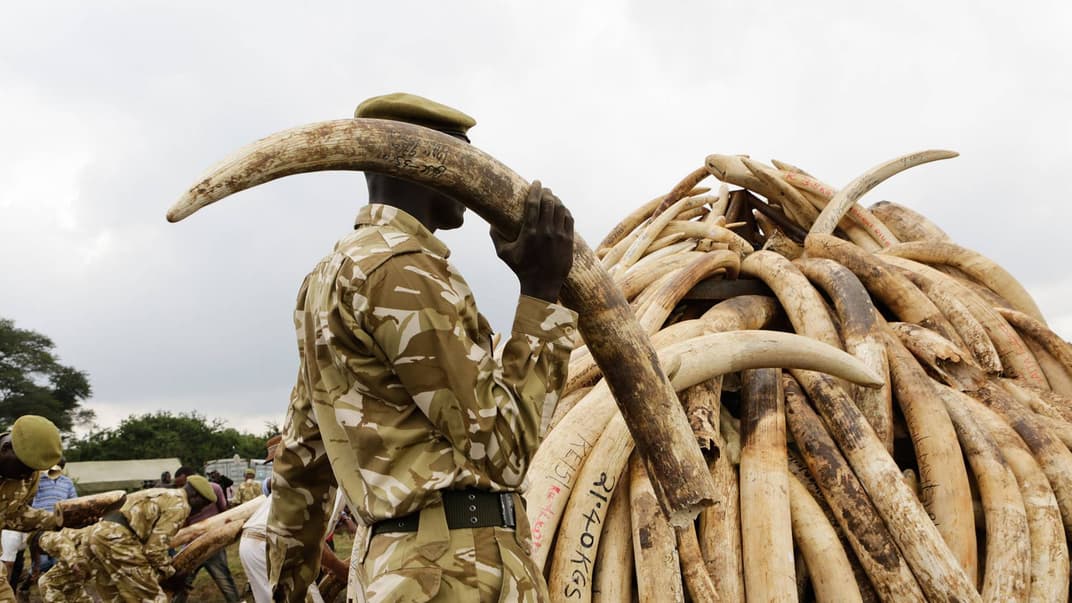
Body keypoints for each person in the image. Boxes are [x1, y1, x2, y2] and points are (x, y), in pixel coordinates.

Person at [267, 93, 576, 602]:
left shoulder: (326, 278)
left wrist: (286, 587)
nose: (474, 183)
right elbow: (505, 451)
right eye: (465, 162)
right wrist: (541, 291)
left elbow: (304, 456)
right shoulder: (406, 272)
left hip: (400, 570)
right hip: (455, 572)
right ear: (427, 168)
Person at [85, 474, 215, 602]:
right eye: (203, 505)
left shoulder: (162, 493)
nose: (200, 511)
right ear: (195, 495)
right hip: (117, 539)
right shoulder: (181, 506)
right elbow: (154, 550)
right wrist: (173, 574)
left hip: (98, 534)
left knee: (116, 596)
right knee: (152, 598)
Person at [0, 415, 65, 603]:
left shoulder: (27, 475)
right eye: (26, 468)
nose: (29, 475)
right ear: (6, 449)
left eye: (35, 470)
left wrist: (57, 520)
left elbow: (13, 515)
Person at [171, 467, 240, 602]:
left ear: (191, 478)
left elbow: (224, 512)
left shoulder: (214, 488)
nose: (182, 488)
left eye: (183, 483)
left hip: (212, 541)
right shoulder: (183, 498)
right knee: (184, 580)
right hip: (193, 543)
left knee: (223, 578)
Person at [33, 527, 93, 603]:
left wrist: (73, 563)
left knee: (45, 582)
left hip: (82, 553)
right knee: (71, 587)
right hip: (90, 549)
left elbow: (62, 541)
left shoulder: (44, 538)